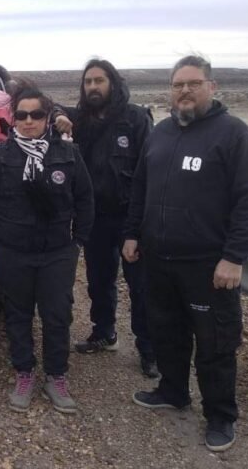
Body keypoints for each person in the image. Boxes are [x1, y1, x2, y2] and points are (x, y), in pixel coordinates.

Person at [123, 55, 248, 452]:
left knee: (215, 344)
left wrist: (235, 257)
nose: (184, 91)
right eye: (177, 85)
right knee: (166, 333)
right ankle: (173, 390)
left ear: (212, 87)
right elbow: (140, 189)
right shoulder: (161, 133)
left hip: (208, 265)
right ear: (170, 90)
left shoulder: (234, 135)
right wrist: (132, 234)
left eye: (193, 83)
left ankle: (220, 415)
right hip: (159, 259)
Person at [0, 84, 94, 414]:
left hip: (56, 253)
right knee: (17, 315)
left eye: (36, 115)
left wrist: (78, 243)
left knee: (56, 315)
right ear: (13, 119)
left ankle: (56, 376)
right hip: (11, 252)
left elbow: (85, 199)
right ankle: (23, 373)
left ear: (48, 117)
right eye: (22, 115)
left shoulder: (68, 154)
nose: (28, 121)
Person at [53, 59, 157, 378]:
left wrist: (137, 228)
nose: (93, 87)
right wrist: (58, 114)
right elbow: (48, 104)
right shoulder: (80, 119)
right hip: (96, 217)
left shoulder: (136, 118)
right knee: (99, 280)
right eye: (88, 82)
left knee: (141, 287)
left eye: (99, 80)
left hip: (131, 218)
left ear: (112, 82)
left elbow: (149, 173)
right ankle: (104, 333)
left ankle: (149, 351)